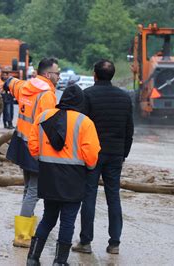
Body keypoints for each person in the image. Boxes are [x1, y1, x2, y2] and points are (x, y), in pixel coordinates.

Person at [26, 84, 100, 266]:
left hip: (48, 176)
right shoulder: (85, 122)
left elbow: (33, 146)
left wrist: (44, 158)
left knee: (48, 217)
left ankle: (32, 257)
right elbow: (91, 156)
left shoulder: (43, 117)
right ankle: (59, 262)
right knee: (68, 221)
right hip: (73, 179)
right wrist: (89, 167)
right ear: (80, 101)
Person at [72, 59, 134, 255]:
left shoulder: (87, 95)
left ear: (94, 75)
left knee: (88, 195)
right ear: (112, 75)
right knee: (113, 197)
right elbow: (129, 129)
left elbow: (80, 126)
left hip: (92, 154)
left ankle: (85, 241)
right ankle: (114, 243)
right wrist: (124, 153)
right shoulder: (124, 97)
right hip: (115, 154)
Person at [3, 57, 59, 247]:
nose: (59, 76)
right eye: (57, 73)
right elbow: (49, 125)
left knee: (28, 189)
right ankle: (23, 236)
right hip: (36, 147)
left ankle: (25, 231)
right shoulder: (47, 95)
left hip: (21, 143)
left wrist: (7, 81)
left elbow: (12, 84)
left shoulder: (26, 86)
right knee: (33, 191)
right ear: (47, 74)